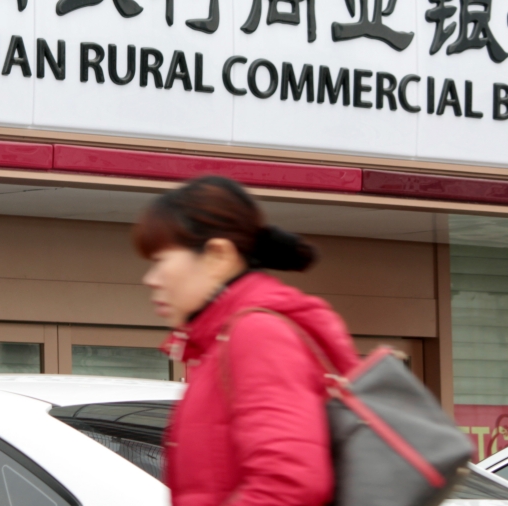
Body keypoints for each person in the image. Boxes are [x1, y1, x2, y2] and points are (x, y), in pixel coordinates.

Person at [134, 176, 359, 506]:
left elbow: (289, 484)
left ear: (217, 256)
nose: (150, 280)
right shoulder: (224, 341)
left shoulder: (257, 335)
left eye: (160, 261)